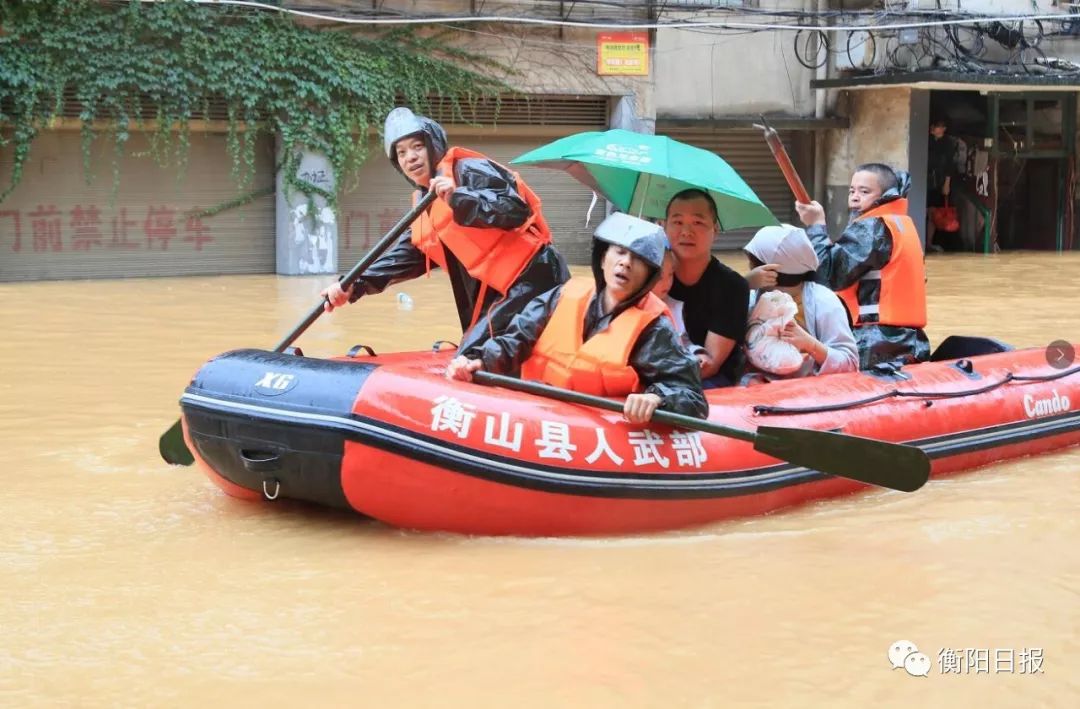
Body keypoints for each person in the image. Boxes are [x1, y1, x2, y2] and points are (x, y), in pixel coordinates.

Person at [321, 107, 569, 352]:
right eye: (401, 152)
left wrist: (458, 196)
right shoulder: (424, 204)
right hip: (496, 292)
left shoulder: (469, 170)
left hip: (533, 278)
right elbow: (405, 257)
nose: (411, 157)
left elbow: (515, 208)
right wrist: (355, 284)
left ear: (433, 145)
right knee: (472, 350)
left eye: (417, 146)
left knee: (473, 355)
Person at [446, 212, 708, 423]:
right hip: (536, 413)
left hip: (595, 427)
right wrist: (480, 361)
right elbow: (516, 339)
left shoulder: (653, 328)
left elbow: (692, 398)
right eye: (619, 252)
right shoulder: (563, 295)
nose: (626, 263)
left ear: (650, 275)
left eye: (638, 259)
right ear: (603, 258)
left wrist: (658, 398)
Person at [795, 163, 930, 369]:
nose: (855, 197)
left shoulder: (874, 227)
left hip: (877, 342)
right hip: (907, 341)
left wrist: (815, 226)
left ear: (885, 195)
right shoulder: (901, 224)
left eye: (864, 191)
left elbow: (828, 275)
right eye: (852, 190)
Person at [741, 224, 858, 380]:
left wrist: (810, 344)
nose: (750, 269)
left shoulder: (823, 301)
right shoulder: (752, 296)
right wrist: (741, 285)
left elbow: (850, 363)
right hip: (755, 389)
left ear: (769, 271)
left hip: (806, 394)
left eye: (752, 263)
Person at [663, 189, 750, 387]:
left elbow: (710, 365)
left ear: (715, 231)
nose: (686, 232)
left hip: (708, 382)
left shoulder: (732, 286)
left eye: (698, 222)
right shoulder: (651, 276)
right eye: (677, 222)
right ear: (663, 226)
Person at [926, 117, 957, 253]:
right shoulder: (927, 140)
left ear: (944, 129)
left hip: (939, 180)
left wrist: (947, 183)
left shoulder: (948, 143)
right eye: (934, 126)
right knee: (925, 210)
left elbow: (950, 164)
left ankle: (929, 242)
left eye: (938, 126)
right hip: (925, 179)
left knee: (934, 212)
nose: (935, 128)